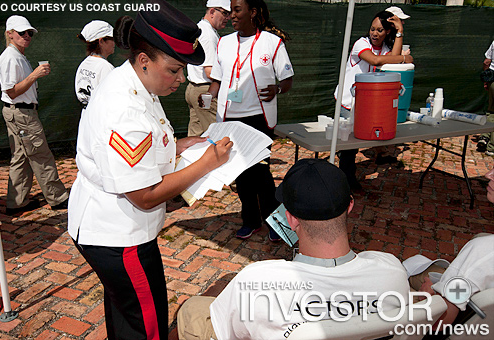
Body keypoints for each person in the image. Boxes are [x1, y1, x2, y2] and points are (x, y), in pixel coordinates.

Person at [67, 2, 233, 339]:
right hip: (120, 235)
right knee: (147, 325)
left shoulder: (134, 81)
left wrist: (180, 145)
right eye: (174, 69)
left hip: (112, 228)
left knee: (125, 314)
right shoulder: (125, 109)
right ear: (144, 60)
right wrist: (206, 164)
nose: (180, 77)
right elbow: (143, 195)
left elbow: (150, 141)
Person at [177, 159, 410, 340]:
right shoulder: (392, 271)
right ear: (350, 205)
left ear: (290, 219)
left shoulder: (256, 282)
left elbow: (225, 332)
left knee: (189, 310)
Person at [203, 0, 294, 241]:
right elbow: (219, 81)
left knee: (261, 173)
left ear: (252, 12)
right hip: (230, 118)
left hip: (259, 119)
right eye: (230, 10)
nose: (231, 15)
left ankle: (276, 222)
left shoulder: (272, 43)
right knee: (241, 174)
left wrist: (277, 89)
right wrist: (208, 96)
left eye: (236, 10)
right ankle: (251, 220)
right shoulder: (224, 43)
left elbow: (287, 79)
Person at [0, 15, 69, 214]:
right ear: (10, 34)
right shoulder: (10, 57)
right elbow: (11, 91)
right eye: (22, 33)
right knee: (41, 155)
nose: (27, 36)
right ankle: (58, 198)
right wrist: (35, 75)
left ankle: (17, 202)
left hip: (19, 112)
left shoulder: (17, 55)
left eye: (29, 33)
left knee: (21, 156)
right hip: (21, 113)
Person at [334, 10, 413, 190]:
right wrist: (403, 57)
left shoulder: (386, 49)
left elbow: (394, 65)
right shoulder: (360, 44)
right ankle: (345, 181)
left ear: (388, 33)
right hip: (348, 101)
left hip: (368, 104)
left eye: (379, 30)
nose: (374, 34)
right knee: (349, 145)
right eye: (372, 29)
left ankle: (346, 175)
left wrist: (400, 31)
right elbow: (377, 61)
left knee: (359, 141)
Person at [404, 233, 494, 335]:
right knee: (419, 270)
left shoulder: (482, 250)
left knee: (393, 281)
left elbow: (440, 322)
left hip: (449, 325)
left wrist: (428, 297)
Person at [185, 0, 230, 137]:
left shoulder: (199, 29)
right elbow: (210, 71)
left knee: (195, 135)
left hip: (194, 89)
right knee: (217, 136)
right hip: (205, 91)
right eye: (225, 13)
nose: (228, 18)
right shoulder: (209, 35)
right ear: (212, 12)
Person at [75, 20, 115, 108]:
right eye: (112, 39)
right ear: (101, 41)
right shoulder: (106, 67)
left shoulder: (84, 64)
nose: (114, 42)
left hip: (86, 118)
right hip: (100, 119)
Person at [477, 40, 494, 156]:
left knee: (491, 111)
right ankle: (492, 148)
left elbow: (486, 61)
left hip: (493, 80)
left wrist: (486, 80)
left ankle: (485, 136)